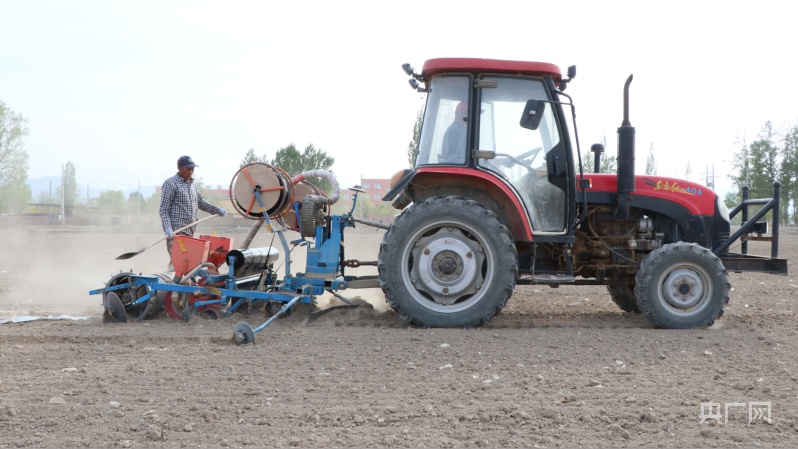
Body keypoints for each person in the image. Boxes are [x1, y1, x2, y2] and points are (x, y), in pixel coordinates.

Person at [159, 155, 226, 270]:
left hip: (190, 230)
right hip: (177, 232)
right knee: (180, 262)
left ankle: (177, 283)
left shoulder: (193, 184)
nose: (191, 171)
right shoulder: (170, 184)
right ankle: (175, 282)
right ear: (179, 168)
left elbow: (200, 202)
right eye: (188, 169)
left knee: (186, 262)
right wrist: (168, 228)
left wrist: (216, 209)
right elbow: (163, 210)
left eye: (192, 169)